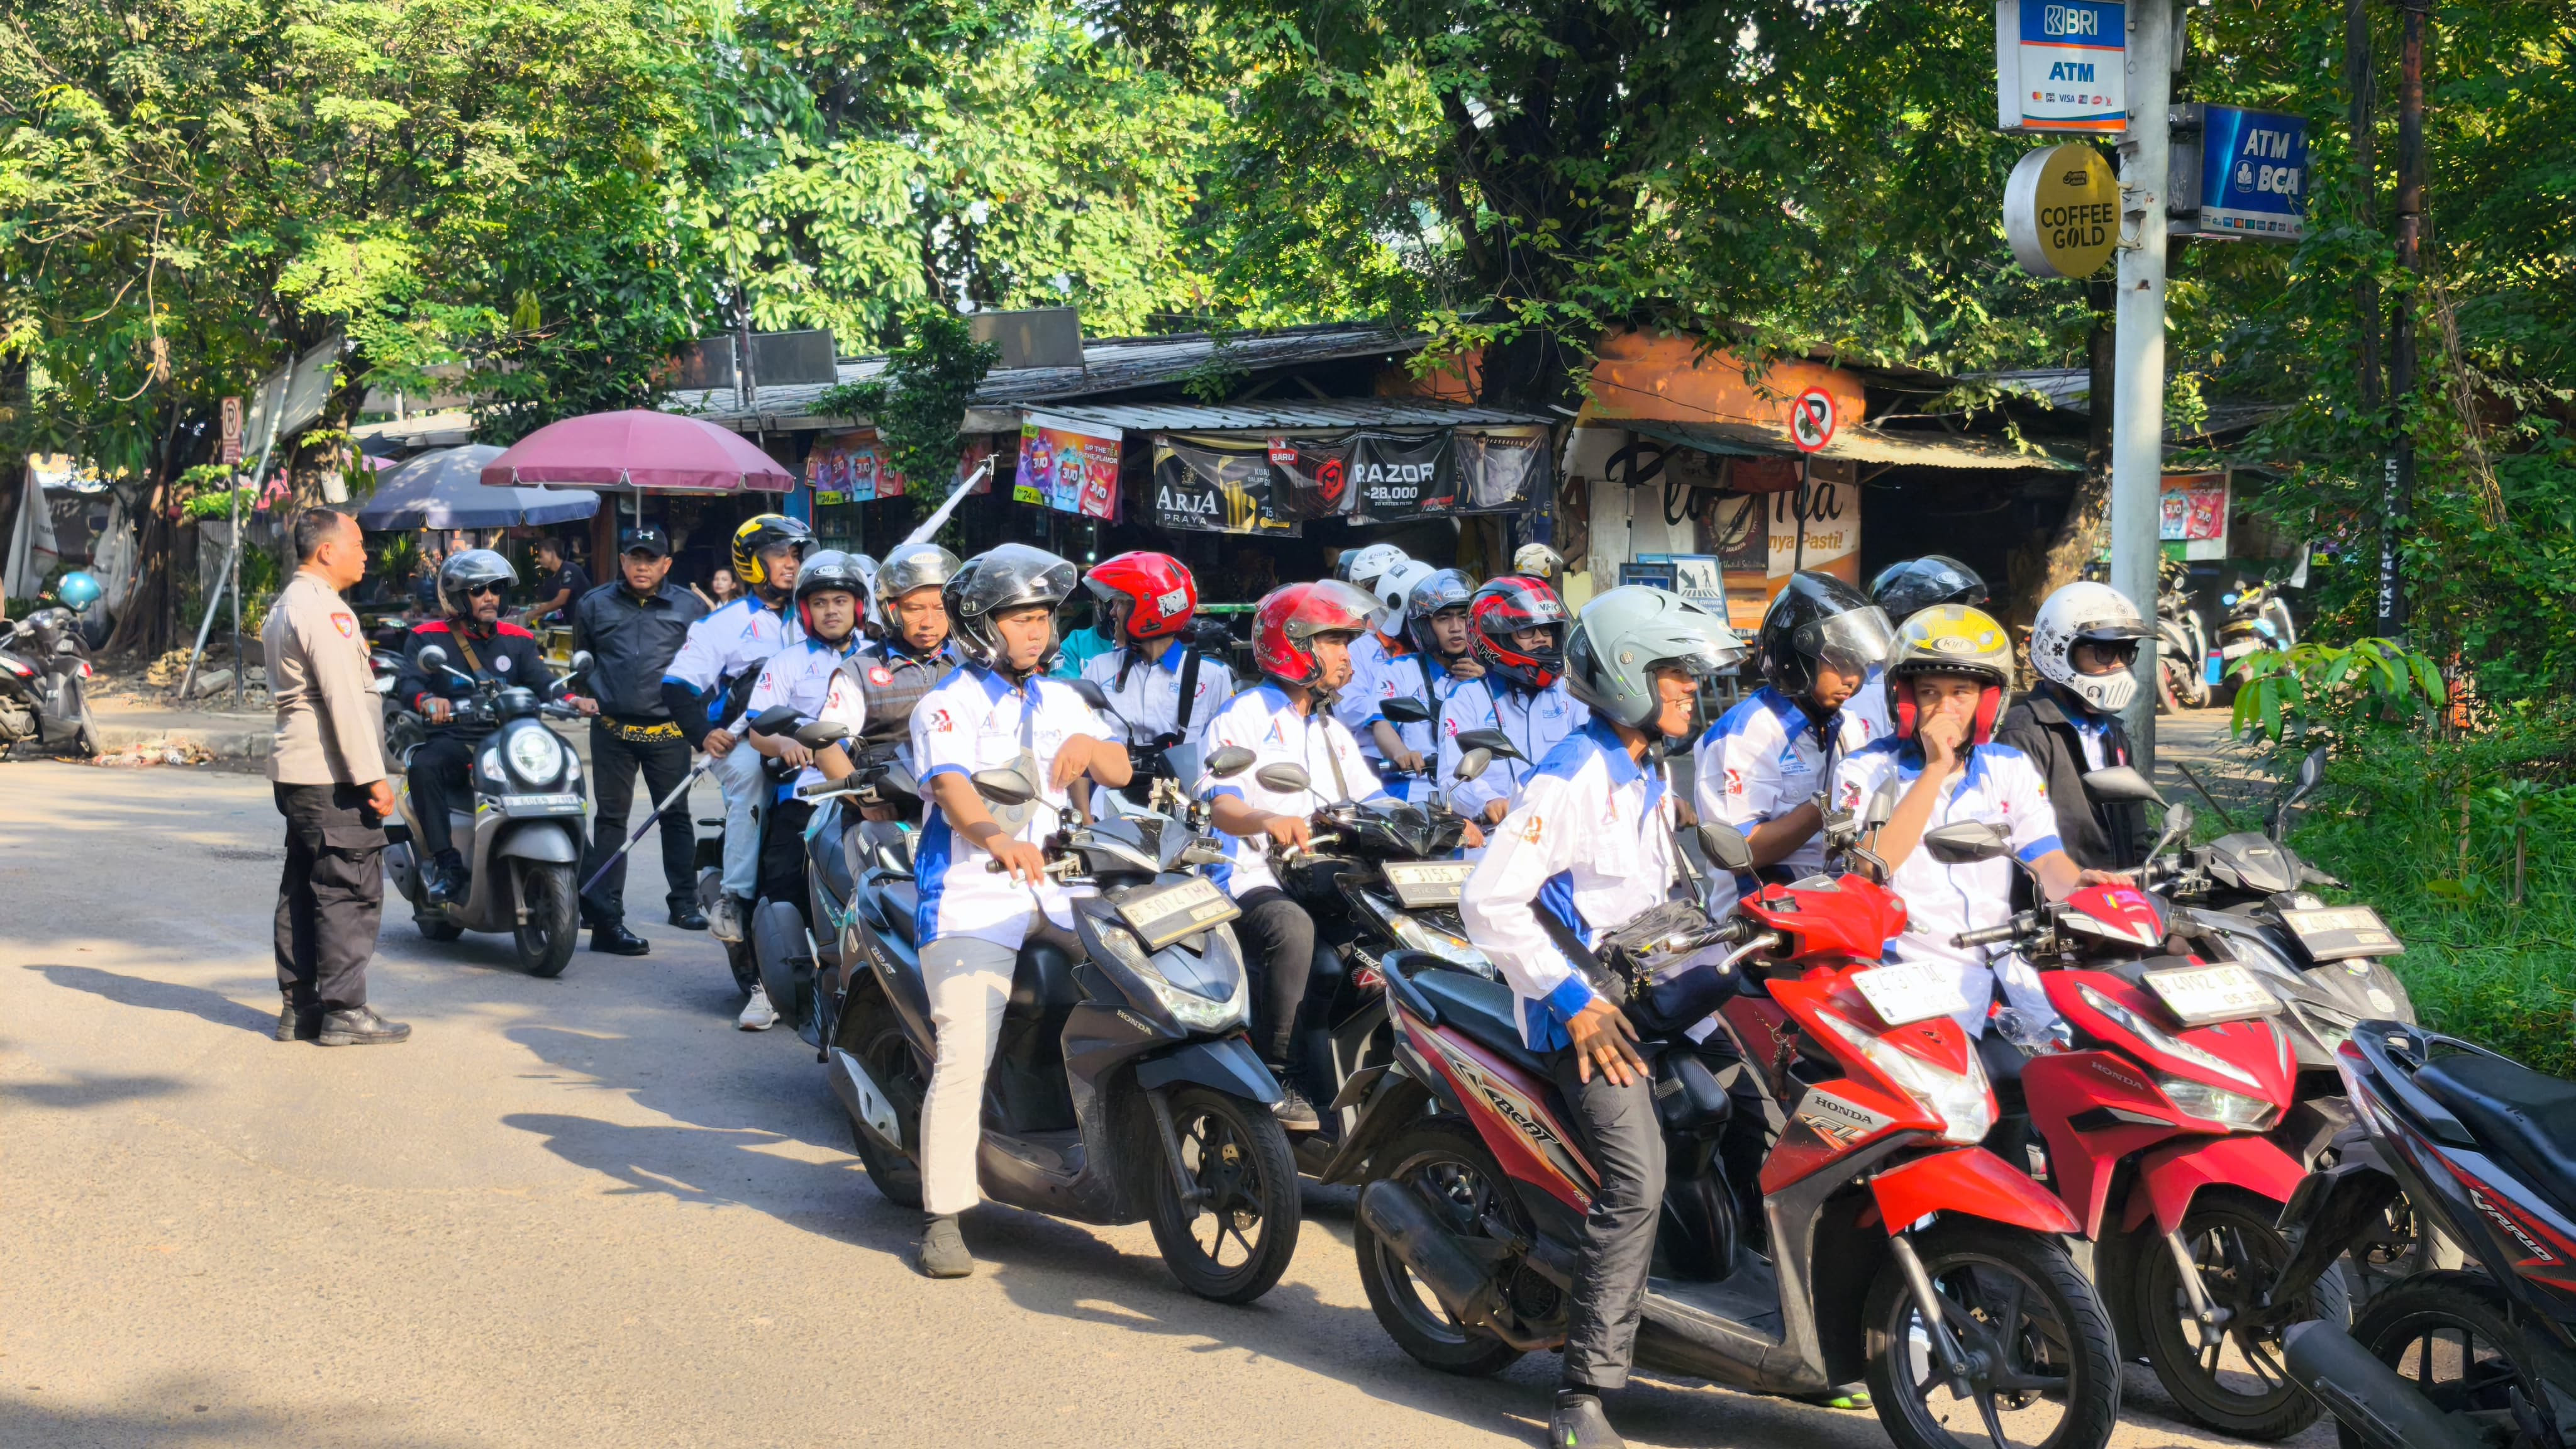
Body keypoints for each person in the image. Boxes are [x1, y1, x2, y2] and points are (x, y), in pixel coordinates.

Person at [1456, 586, 1745, 1449]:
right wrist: (1576, 1002)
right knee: (1635, 1182)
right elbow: (1488, 899)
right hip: (1583, 1016)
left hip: (1656, 995)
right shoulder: (1574, 775)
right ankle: (1583, 1393)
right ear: (1627, 677)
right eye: (1677, 677)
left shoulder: (1648, 764)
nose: (1692, 692)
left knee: (1763, 1114)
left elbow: (1651, 903)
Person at [908, 543, 1131, 1278]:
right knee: (965, 1050)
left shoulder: (1066, 696)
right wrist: (999, 840)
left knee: (1149, 994)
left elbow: (1120, 770)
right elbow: (952, 791)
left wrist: (1087, 742)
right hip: (973, 900)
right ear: (980, 626)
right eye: (1020, 619)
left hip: (1066, 890)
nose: (1036, 632)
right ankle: (943, 1214)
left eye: (1042, 617)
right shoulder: (946, 704)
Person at [1200, 580, 1480, 1131]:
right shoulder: (1244, 715)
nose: (1346, 657)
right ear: (1295, 644)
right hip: (1255, 876)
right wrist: (1266, 820)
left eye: (1347, 644)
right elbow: (1221, 806)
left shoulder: (1333, 730)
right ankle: (1276, 1076)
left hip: (1328, 877)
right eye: (1334, 643)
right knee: (1293, 933)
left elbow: (1374, 803)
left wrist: (1447, 826)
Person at [1832, 604, 2118, 1036]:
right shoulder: (1864, 771)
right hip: (1907, 973)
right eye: (1929, 693)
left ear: (1987, 703)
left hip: (2003, 968)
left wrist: (2081, 889)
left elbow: (2045, 859)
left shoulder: (2011, 766)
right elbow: (1871, 867)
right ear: (1906, 699)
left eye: (1961, 693)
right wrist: (1933, 770)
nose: (1944, 709)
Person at [264, 508, 409, 1046]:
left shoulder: (288, 603)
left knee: (305, 888)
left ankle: (301, 1007)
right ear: (327, 551)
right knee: (348, 889)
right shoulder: (326, 611)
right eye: (358, 543)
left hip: (301, 773)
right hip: (332, 774)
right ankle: (345, 1011)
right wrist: (373, 777)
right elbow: (344, 701)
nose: (366, 553)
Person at [396, 549, 597, 914]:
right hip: (459, 739)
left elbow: (542, 682)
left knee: (562, 767)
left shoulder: (517, 638)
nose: (489, 597)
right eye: (478, 590)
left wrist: (572, 698)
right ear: (458, 596)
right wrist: (428, 700)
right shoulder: (429, 638)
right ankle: (448, 864)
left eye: (496, 589)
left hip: (512, 742)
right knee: (424, 766)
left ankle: (603, 907)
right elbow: (409, 682)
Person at [729, 550, 874, 1029]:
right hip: (809, 793)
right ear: (806, 610)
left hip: (877, 791)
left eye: (841, 600)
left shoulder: (879, 658)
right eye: (820, 602)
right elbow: (757, 729)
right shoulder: (787, 662)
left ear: (859, 606)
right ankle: (766, 988)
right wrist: (788, 742)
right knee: (783, 884)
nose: (832, 610)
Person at [662, 514, 810, 948]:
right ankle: (735, 896)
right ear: (750, 561)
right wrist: (705, 735)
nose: (790, 564)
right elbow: (678, 687)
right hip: (747, 740)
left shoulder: (818, 613)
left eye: (797, 555)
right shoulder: (722, 623)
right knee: (751, 776)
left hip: (818, 737)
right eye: (779, 554)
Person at [1691, 572, 1896, 883]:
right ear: (1798, 658)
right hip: (1762, 909)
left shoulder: (1846, 723)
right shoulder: (1747, 734)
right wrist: (1834, 800)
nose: (1853, 679)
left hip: (1834, 895)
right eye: (1841, 662)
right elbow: (1744, 853)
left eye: (1860, 665)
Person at [569, 526, 708, 953]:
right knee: (611, 819)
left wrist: (704, 728)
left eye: (651, 559)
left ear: (667, 564)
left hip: (669, 730)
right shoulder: (593, 604)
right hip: (612, 730)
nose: (642, 566)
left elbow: (705, 668)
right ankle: (607, 909)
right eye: (634, 558)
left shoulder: (690, 607)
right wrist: (580, 697)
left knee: (676, 817)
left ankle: (684, 903)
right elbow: (582, 664)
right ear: (623, 561)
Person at [1999, 581, 2158, 870]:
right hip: (2055, 902)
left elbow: (2134, 829)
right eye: (2103, 653)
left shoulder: (2112, 732)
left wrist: (2146, 876)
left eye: (2126, 653)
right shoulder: (2024, 734)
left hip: (2115, 897)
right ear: (2060, 651)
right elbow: (2017, 838)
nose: (2118, 666)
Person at [809, 543, 960, 823]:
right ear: (891, 609)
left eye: (940, 609)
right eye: (915, 609)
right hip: (887, 811)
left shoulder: (972, 663)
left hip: (963, 808)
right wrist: (864, 801)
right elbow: (828, 747)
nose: (929, 621)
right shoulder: (859, 671)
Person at [1438, 575, 1591, 823]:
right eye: (1527, 630)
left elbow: (1602, 756)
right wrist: (1488, 802)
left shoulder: (1571, 694)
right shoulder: (1466, 699)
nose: (1541, 639)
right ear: (1495, 635)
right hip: (1496, 836)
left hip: (1564, 831)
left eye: (1547, 630)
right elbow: (1451, 777)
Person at [1077, 551, 1235, 758]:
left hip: (1183, 789)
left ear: (1149, 610)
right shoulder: (1099, 668)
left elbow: (1224, 753)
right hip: (1110, 788)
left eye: (1121, 603)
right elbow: (1079, 742)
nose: (1112, 612)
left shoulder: (1213, 676)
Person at [1850, 556, 1987, 740]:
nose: (1952, 628)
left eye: (1955, 616)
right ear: (1901, 620)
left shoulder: (1971, 683)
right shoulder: (1870, 694)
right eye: (1937, 619)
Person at [1334, 558, 1436, 784]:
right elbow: (1348, 711)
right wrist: (1391, 702)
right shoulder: (1357, 649)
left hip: (1434, 762)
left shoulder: (1437, 655)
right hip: (1375, 762)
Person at [1334, 542, 1412, 697]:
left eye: (1392, 586)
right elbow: (1350, 708)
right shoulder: (1353, 645)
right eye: (1375, 588)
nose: (1384, 594)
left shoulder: (1429, 634)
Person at [523, 535, 590, 627]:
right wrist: (542, 607)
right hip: (570, 623)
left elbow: (561, 600)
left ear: (552, 553)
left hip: (584, 622)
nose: (540, 560)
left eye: (542, 556)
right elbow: (553, 604)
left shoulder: (569, 570)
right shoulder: (553, 577)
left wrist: (536, 613)